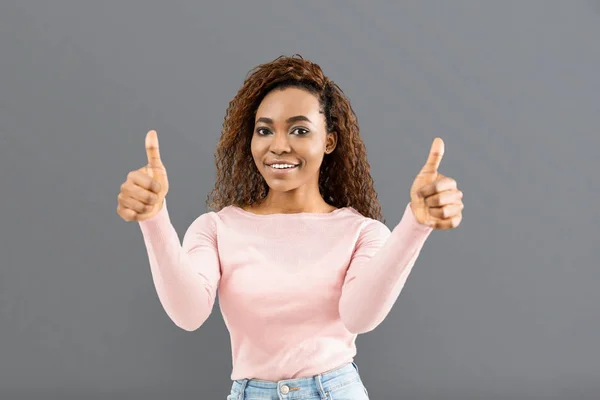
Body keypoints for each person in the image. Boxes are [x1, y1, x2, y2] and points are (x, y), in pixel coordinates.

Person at [116, 55, 464, 399]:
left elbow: (360, 317)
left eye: (299, 130)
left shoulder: (362, 233)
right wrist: (154, 217)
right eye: (264, 130)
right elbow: (188, 313)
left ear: (329, 141)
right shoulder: (217, 228)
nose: (278, 146)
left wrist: (416, 224)